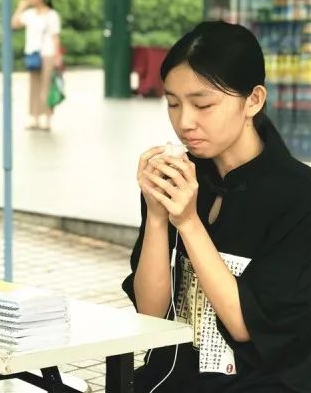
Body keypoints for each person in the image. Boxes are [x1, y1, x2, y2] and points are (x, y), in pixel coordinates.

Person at [122, 21, 311, 392]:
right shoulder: (180, 180)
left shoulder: (298, 197)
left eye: (203, 104)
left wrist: (189, 223)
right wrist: (158, 218)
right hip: (168, 379)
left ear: (253, 100)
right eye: (173, 104)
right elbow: (151, 313)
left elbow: (245, 325)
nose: (184, 122)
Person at [11, 0, 62, 130]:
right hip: (32, 53)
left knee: (46, 85)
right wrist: (20, 7)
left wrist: (57, 55)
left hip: (48, 53)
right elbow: (13, 24)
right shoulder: (29, 14)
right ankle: (34, 118)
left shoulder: (52, 15)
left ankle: (47, 119)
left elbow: (55, 37)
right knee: (34, 86)